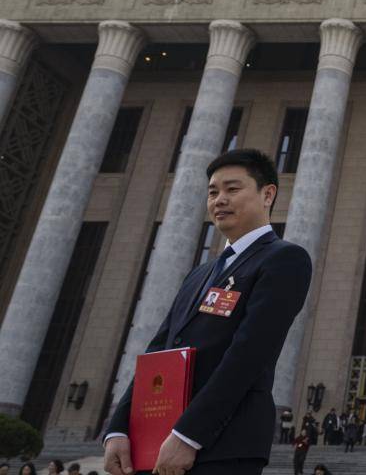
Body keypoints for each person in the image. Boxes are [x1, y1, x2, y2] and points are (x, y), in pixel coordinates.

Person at [103, 149, 314, 475]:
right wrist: (119, 428)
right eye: (213, 192)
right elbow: (159, 352)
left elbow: (249, 354)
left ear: (267, 194)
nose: (219, 200)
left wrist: (190, 434)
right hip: (160, 444)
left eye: (232, 189)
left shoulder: (284, 260)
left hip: (223, 447)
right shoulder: (200, 274)